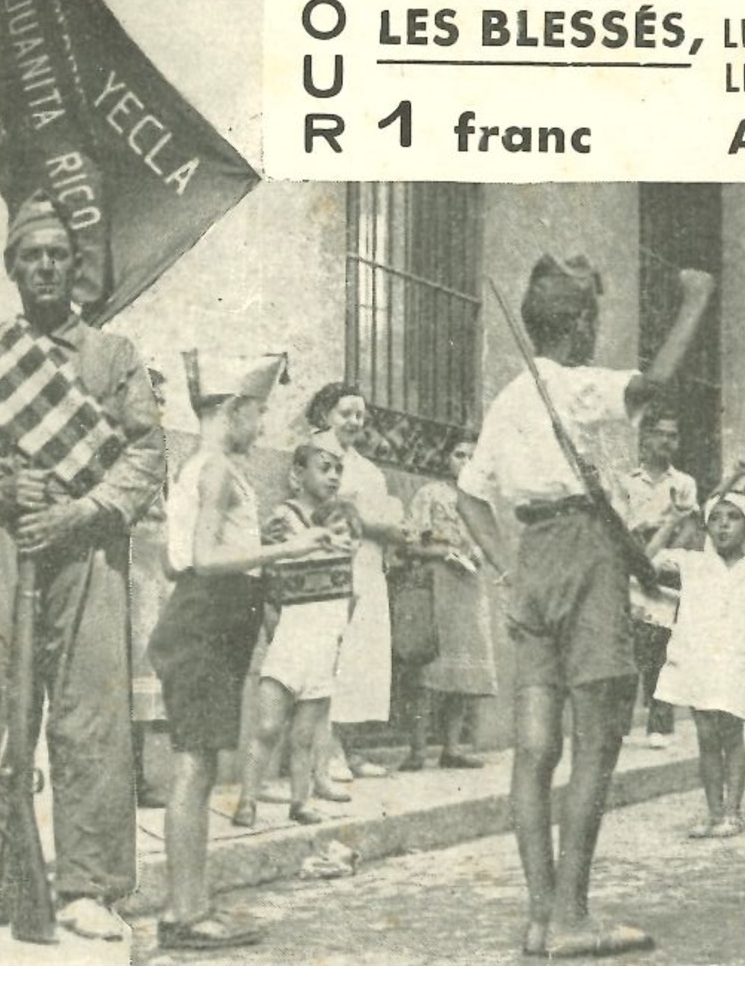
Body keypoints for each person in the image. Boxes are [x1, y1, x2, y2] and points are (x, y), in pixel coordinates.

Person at [455, 253, 715, 958]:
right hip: (584, 551)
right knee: (596, 743)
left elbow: (469, 495)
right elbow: (655, 382)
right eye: (593, 320)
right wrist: (694, 297)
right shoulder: (575, 385)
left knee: (534, 748)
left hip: (532, 559)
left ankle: (542, 916)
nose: (596, 332)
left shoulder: (510, 397)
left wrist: (506, 565)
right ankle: (571, 915)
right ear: (576, 326)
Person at [0, 192, 164, 941]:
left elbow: (146, 453)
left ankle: (88, 885)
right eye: (30, 254)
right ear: (11, 267)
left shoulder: (113, 356)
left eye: (58, 255)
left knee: (89, 711)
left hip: (88, 547)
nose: (44, 266)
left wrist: (81, 508)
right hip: (3, 546)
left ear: (76, 268)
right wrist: (0, 489)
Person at [148, 352, 337, 949]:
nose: (260, 427)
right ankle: (185, 913)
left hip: (209, 624)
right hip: (204, 624)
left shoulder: (205, 469)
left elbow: (175, 557)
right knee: (195, 765)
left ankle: (194, 904)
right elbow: (203, 560)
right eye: (257, 415)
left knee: (200, 767)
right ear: (232, 411)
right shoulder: (214, 472)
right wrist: (291, 549)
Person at [234, 434, 360, 828]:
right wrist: (276, 635)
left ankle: (300, 800)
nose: (334, 476)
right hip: (289, 641)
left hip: (323, 646)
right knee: (268, 726)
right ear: (297, 474)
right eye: (325, 468)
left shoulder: (342, 522)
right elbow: (269, 587)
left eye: (339, 469)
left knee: (306, 733)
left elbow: (347, 591)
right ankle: (247, 798)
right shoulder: (283, 519)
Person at [647, 493, 745, 838]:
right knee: (707, 736)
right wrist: (673, 520)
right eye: (716, 518)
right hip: (699, 661)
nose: (724, 524)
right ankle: (714, 813)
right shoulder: (693, 563)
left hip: (738, 661)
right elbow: (645, 558)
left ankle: (733, 812)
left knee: (731, 733)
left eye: (733, 517)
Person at [305, 383, 404, 781]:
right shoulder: (315, 455)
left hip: (368, 564)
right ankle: (325, 752)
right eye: (346, 413)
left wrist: (386, 525)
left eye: (360, 415)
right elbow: (326, 509)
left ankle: (351, 747)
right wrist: (378, 522)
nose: (354, 422)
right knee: (332, 657)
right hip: (331, 561)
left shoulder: (366, 466)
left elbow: (375, 514)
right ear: (326, 413)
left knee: (363, 661)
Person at [401, 435, 499, 771]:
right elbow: (409, 544)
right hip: (437, 586)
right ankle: (417, 750)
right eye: (459, 454)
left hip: (469, 588)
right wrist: (443, 552)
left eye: (473, 457)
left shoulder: (483, 502)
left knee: (463, 674)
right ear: (447, 459)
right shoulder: (430, 495)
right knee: (429, 672)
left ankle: (452, 747)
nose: (466, 462)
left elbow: (490, 545)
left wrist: (478, 554)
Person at [620, 406, 699, 749]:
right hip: (634, 564)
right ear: (646, 438)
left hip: (665, 570)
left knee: (661, 650)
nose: (667, 441)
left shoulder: (683, 484)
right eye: (660, 434)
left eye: (673, 435)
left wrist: (664, 558)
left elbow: (689, 527)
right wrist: (641, 559)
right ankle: (619, 725)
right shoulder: (628, 482)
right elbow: (622, 527)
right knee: (628, 648)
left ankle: (659, 724)